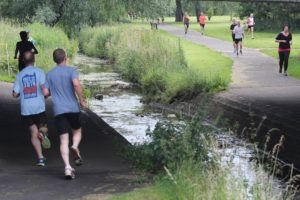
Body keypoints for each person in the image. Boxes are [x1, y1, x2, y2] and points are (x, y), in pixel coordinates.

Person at [44, 48, 86, 180]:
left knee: (63, 140)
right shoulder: (71, 70)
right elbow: (76, 85)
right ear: (65, 58)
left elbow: (45, 93)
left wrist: (53, 91)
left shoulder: (49, 74)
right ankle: (75, 146)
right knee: (77, 131)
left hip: (58, 110)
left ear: (54, 59)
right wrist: (81, 101)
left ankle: (67, 167)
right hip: (73, 108)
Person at [12, 51, 51, 167]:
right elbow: (45, 91)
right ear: (34, 60)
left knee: (33, 133)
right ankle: (43, 132)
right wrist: (46, 94)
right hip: (39, 107)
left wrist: (18, 93)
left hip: (26, 109)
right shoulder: (39, 72)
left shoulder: (20, 75)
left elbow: (15, 94)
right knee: (42, 127)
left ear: (23, 61)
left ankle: (40, 158)